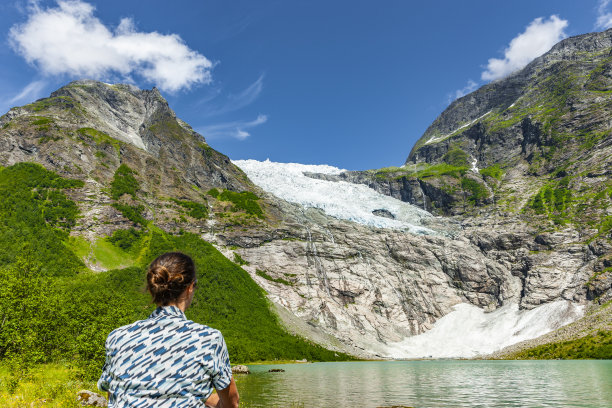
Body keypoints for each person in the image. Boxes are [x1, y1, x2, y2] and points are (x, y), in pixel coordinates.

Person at [97, 252, 240, 408]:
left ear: (152, 288)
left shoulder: (117, 337)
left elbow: (114, 394)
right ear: (190, 287)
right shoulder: (209, 339)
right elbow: (231, 402)